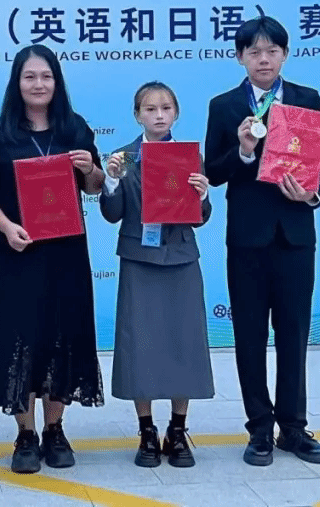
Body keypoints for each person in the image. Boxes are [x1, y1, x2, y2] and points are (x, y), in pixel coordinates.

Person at [203, 15, 320, 467]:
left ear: (285, 55)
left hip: (295, 235)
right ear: (240, 57)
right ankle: (259, 428)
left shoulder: (307, 99)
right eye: (254, 52)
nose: (263, 59)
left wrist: (312, 193)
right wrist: (243, 150)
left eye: (272, 51)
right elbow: (213, 172)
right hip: (247, 238)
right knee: (248, 335)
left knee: (294, 334)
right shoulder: (224, 106)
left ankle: (294, 429)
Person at [0, 44, 106, 475]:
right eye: (30, 76)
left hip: (66, 254)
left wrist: (89, 168)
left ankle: (55, 429)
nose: (38, 84)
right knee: (20, 337)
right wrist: (6, 226)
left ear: (57, 82)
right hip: (16, 252)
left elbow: (96, 187)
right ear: (17, 82)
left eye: (46, 76)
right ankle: (25, 433)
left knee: (63, 335)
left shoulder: (75, 129)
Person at [100, 81, 214, 469]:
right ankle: (146, 430)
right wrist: (111, 181)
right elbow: (112, 214)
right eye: (150, 109)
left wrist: (202, 195)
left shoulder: (189, 157)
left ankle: (178, 430)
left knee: (184, 343)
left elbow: (199, 219)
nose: (159, 115)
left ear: (176, 113)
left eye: (166, 108)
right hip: (139, 259)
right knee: (141, 346)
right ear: (137, 115)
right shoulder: (123, 157)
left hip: (181, 259)